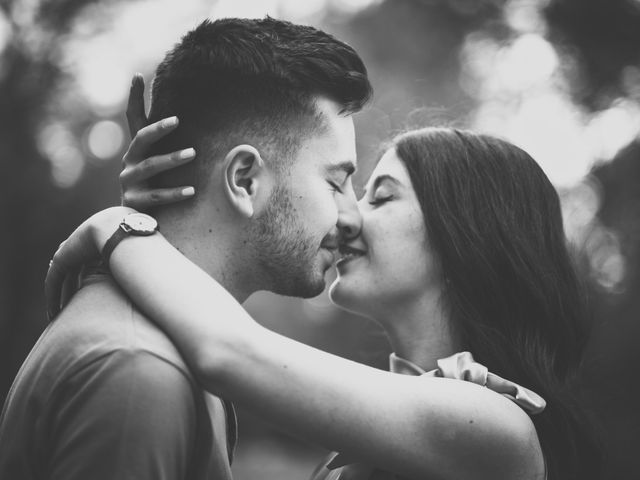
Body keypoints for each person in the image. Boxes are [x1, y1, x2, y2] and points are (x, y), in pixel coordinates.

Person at [44, 125, 601, 479]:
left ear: (466, 237)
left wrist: (119, 227)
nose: (345, 216)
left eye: (380, 196)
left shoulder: (496, 427)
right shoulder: (404, 417)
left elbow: (227, 352)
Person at [0, 17, 372, 480]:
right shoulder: (139, 372)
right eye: (336, 183)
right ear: (244, 180)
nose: (353, 214)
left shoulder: (166, 350)